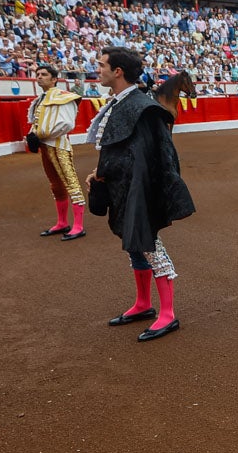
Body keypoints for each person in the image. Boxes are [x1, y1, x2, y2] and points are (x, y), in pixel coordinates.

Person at [85, 47, 195, 342]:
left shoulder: (141, 107)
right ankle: (144, 304)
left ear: (117, 71)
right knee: (134, 243)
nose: (98, 69)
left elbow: (150, 155)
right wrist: (103, 173)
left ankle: (168, 314)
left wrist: (110, 173)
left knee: (149, 243)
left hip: (139, 186)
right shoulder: (124, 104)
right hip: (124, 185)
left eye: (102, 65)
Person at [28, 63, 87, 240]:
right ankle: (62, 223)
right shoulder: (40, 99)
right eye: (37, 74)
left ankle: (78, 225)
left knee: (71, 182)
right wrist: (33, 135)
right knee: (55, 184)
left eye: (44, 74)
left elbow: (67, 124)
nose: (39, 76)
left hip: (58, 145)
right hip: (46, 145)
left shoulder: (64, 97)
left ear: (54, 79)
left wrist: (39, 134)